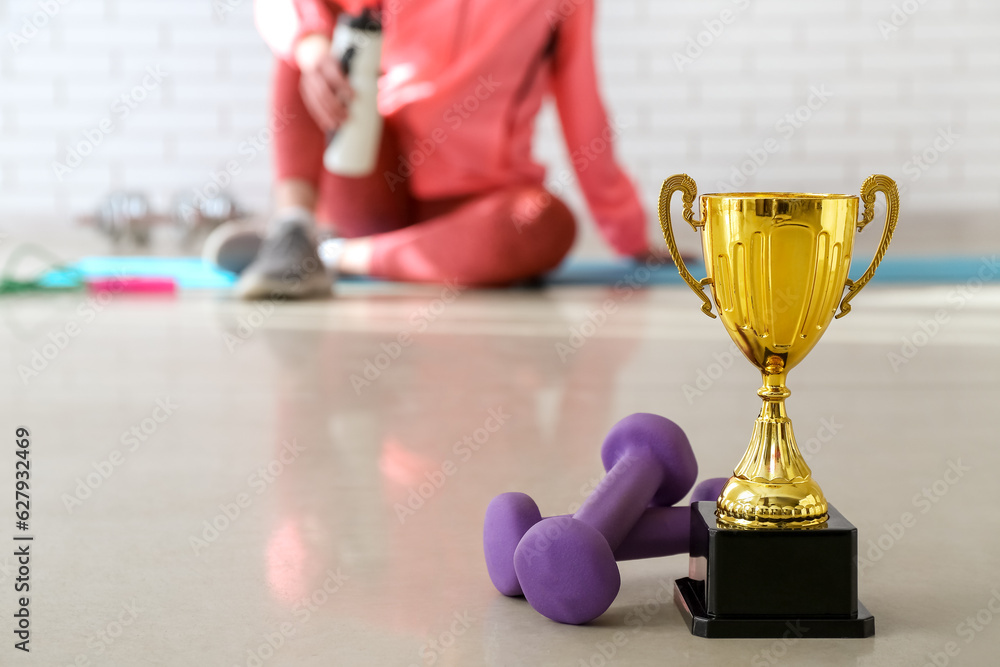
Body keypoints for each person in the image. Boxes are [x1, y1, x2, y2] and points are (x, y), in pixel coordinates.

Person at [217, 0, 650, 298]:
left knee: (547, 223)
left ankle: (328, 255)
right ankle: (294, 227)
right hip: (377, 180)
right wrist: (309, 46)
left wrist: (630, 237)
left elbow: (584, 110)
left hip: (476, 205)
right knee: (311, 31)